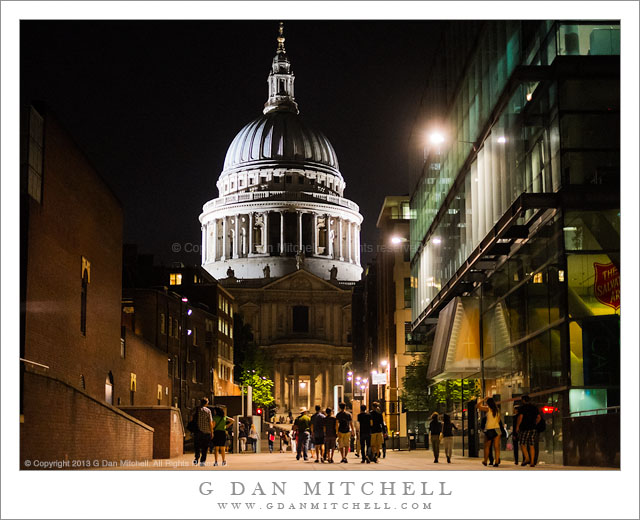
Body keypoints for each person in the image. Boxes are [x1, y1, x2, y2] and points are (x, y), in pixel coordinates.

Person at [516, 395, 541, 467]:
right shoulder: (534, 408)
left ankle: (527, 458)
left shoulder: (522, 408)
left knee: (522, 444)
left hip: (524, 428)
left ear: (523, 400)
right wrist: (535, 423)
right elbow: (539, 417)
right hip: (533, 428)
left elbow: (520, 417)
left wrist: (517, 426)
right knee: (532, 445)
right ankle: (532, 462)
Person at [477, 397, 501, 467]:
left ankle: (485, 461)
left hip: (490, 429)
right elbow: (498, 420)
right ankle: (496, 462)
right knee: (496, 447)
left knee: (487, 446)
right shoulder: (497, 410)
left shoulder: (488, 409)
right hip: (497, 429)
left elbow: (478, 406)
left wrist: (483, 400)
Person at [192, 398, 214, 466]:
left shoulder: (196, 409)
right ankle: (202, 461)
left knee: (197, 446)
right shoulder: (208, 411)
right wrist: (212, 431)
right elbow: (210, 422)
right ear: (206, 403)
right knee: (205, 447)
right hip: (206, 432)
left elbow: (191, 418)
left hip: (197, 431)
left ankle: (196, 457)